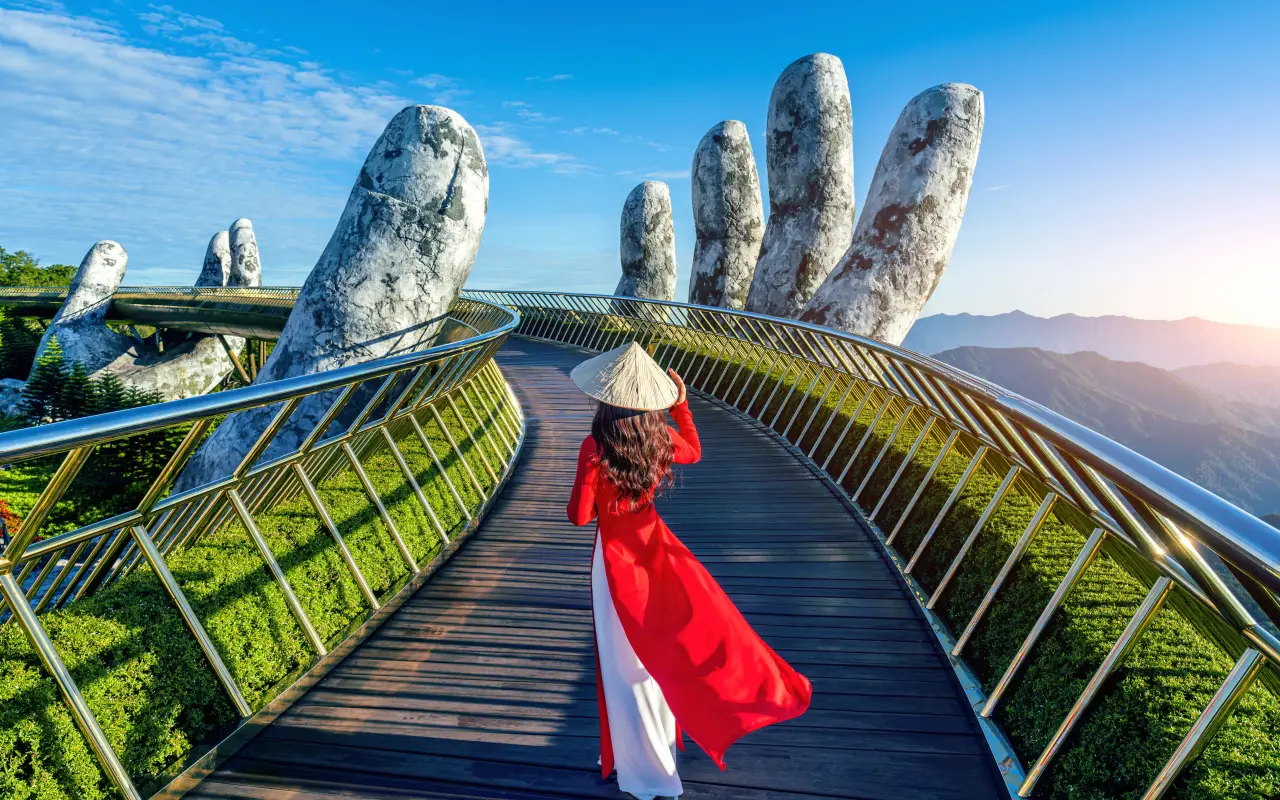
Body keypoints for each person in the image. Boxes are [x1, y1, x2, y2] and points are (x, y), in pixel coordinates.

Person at [566, 341, 812, 800]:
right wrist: (683, 408)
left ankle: (647, 775)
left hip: (616, 567)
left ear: (605, 398)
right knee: (654, 661)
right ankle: (655, 754)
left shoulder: (594, 447)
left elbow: (579, 517)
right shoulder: (658, 438)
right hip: (659, 556)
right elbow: (694, 452)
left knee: (624, 670)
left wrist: (589, 472)